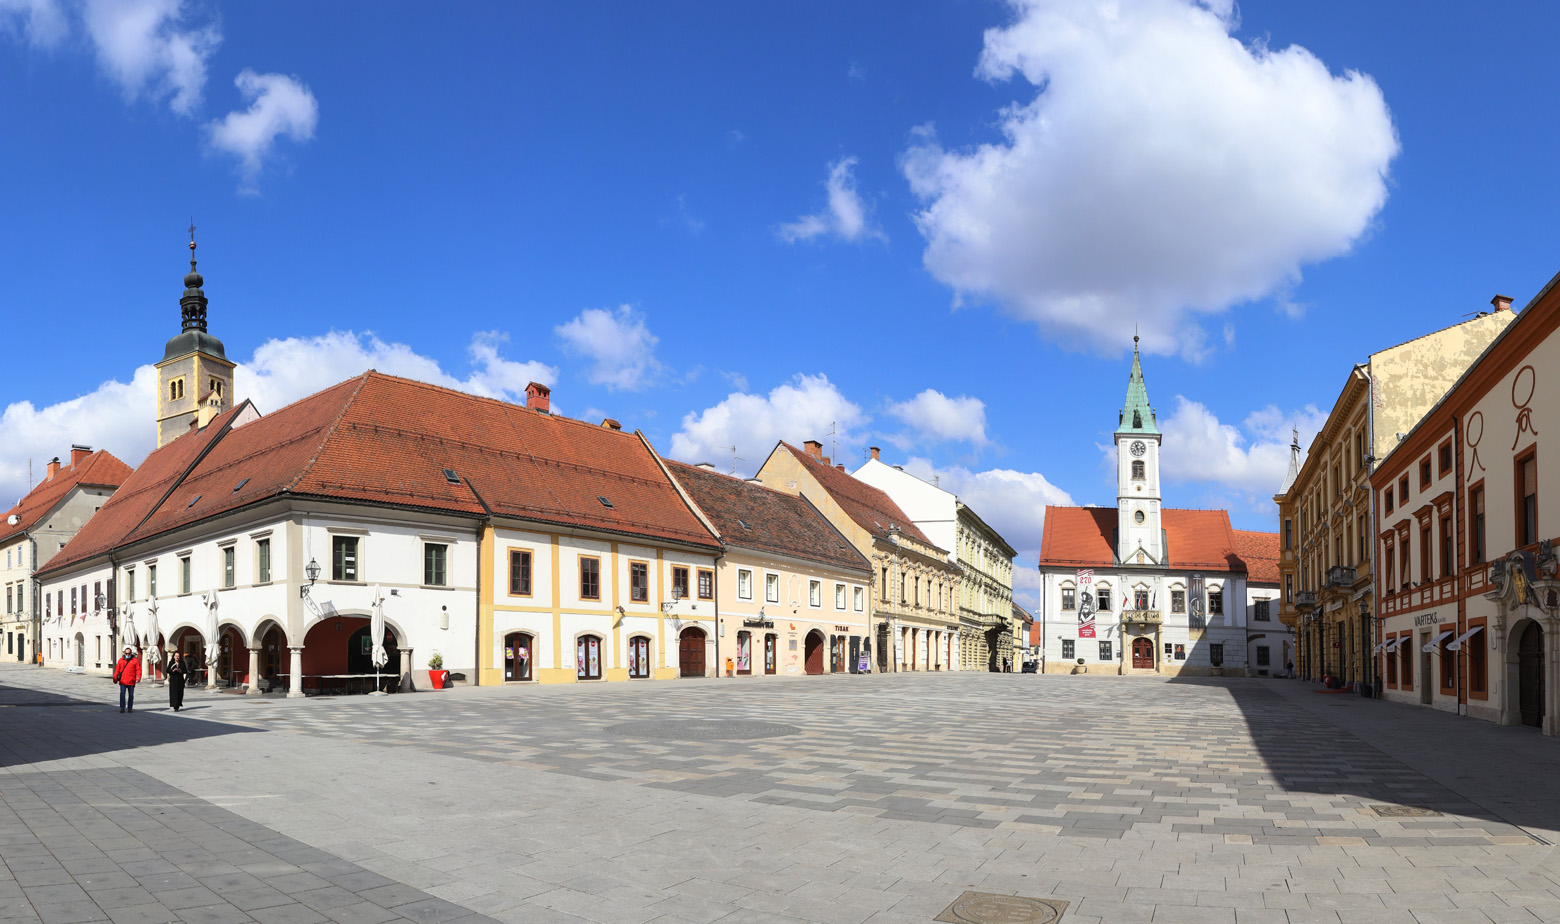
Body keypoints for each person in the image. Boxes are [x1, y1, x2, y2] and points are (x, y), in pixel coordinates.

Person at [112, 646, 141, 713]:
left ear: (131, 653)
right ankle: (122, 707)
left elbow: (138, 670)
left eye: (129, 653)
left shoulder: (135, 660)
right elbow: (117, 670)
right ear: (124, 653)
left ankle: (130, 708)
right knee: (122, 694)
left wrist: (138, 678)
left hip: (131, 681)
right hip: (123, 681)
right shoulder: (121, 660)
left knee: (131, 695)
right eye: (126, 653)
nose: (128, 655)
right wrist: (115, 679)